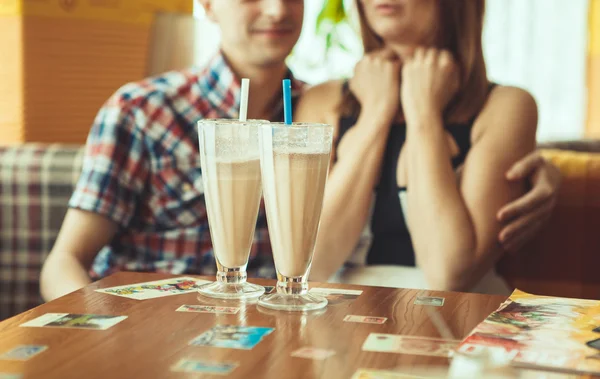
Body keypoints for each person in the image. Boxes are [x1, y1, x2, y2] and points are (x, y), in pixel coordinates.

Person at [40, 0, 560, 301]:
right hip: (177, 328)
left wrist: (422, 111)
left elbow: (446, 272)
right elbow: (320, 256)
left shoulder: (300, 105)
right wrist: (102, 328)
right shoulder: (144, 109)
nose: (274, 8)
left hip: (297, 316)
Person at [298, 0, 557, 294]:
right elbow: (310, 262)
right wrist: (375, 115)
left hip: (459, 318)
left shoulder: (506, 106)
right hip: (335, 316)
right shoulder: (322, 100)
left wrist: (424, 115)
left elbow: (450, 275)